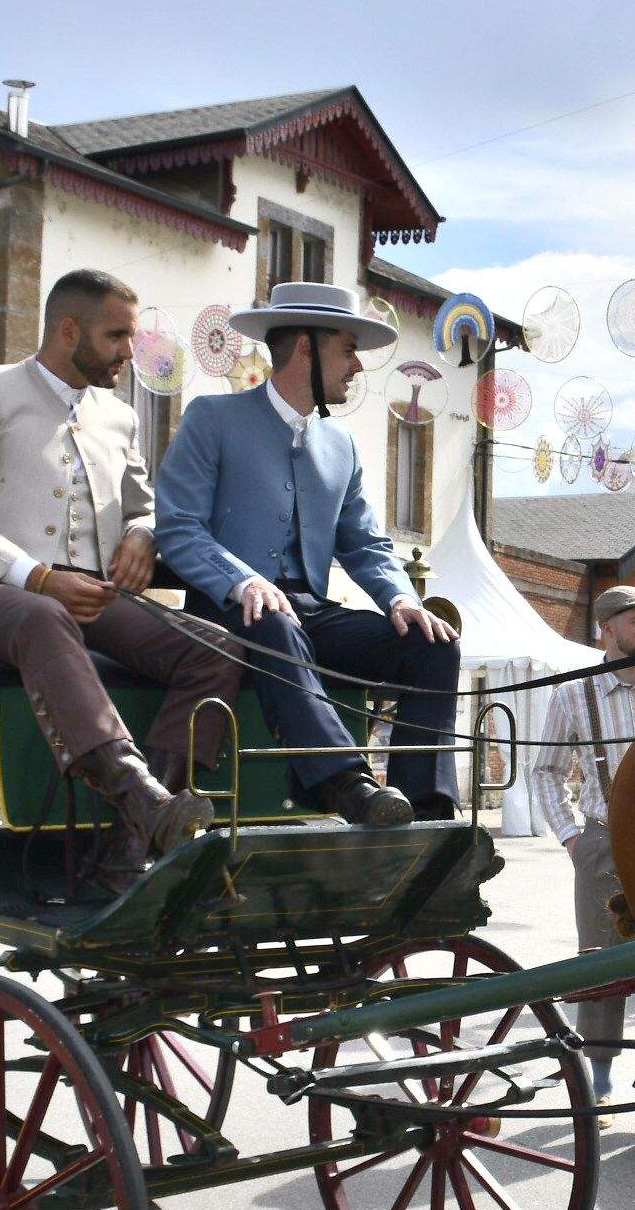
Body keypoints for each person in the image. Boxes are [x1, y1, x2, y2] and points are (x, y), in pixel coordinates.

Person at [0, 269, 238, 894]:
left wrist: (143, 536)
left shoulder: (118, 417)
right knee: (44, 614)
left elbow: (146, 505)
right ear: (69, 330)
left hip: (92, 595)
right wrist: (35, 576)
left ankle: (126, 850)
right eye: (118, 335)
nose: (129, 351)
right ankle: (140, 797)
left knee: (217, 647)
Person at [156, 282, 461, 827]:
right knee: (273, 618)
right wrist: (243, 580)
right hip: (227, 615)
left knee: (429, 642)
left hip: (309, 616)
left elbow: (365, 543)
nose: (357, 367)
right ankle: (346, 783)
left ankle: (425, 810)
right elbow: (178, 527)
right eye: (347, 349)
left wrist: (401, 598)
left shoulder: (340, 446)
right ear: (305, 348)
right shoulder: (212, 418)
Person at [529, 585, 635, 1110]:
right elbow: (545, 771)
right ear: (606, 629)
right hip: (606, 840)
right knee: (601, 960)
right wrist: (574, 839)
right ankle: (599, 1074)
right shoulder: (572, 694)